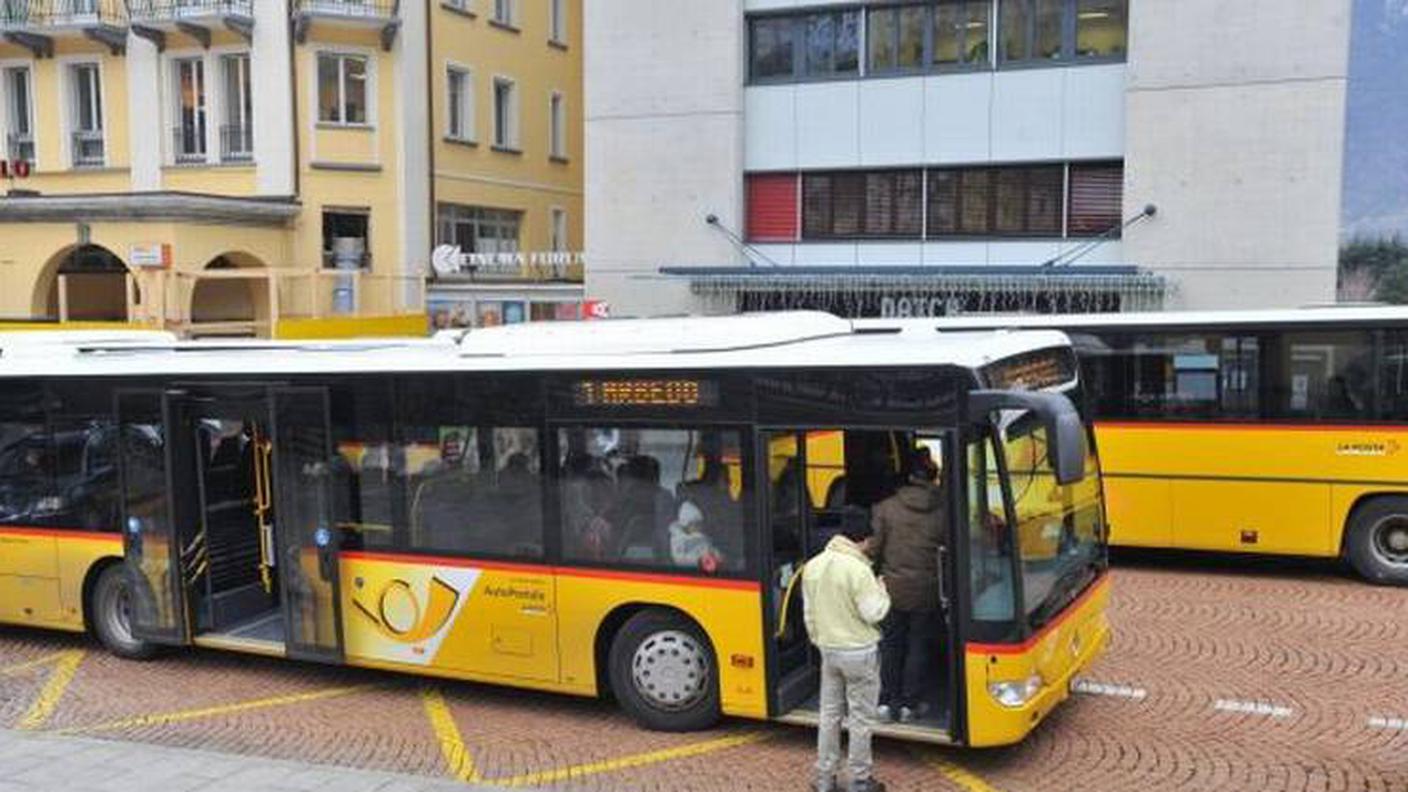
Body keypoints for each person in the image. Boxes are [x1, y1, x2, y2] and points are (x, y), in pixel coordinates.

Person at [802, 506, 891, 792]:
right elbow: (874, 612)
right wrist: (882, 591)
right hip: (859, 652)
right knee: (860, 719)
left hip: (829, 650)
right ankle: (859, 780)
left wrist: (820, 640)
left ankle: (825, 779)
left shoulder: (814, 565)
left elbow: (809, 615)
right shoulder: (859, 569)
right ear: (862, 539)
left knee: (829, 716)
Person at [871, 449, 944, 724]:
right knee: (918, 645)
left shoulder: (886, 508)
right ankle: (909, 705)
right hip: (928, 590)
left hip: (893, 590)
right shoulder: (945, 509)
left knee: (891, 645)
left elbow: (875, 551)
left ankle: (887, 701)